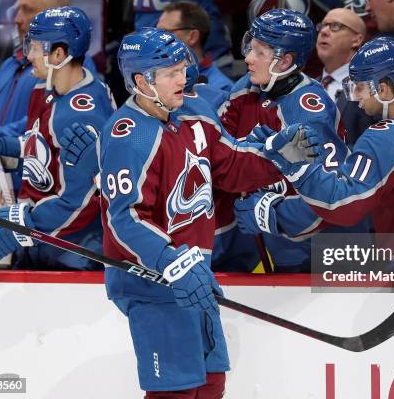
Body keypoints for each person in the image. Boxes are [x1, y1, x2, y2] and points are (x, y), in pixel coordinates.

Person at [100, 28, 280, 397]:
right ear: (141, 81)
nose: (184, 78)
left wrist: (279, 160)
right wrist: (173, 262)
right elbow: (124, 218)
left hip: (193, 273)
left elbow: (229, 165)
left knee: (212, 383)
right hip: (152, 282)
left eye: (183, 68)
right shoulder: (129, 134)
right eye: (171, 73)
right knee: (177, 391)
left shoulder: (191, 113)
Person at [249, 37, 394, 255]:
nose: (354, 96)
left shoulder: (385, 139)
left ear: (383, 89)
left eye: (360, 87)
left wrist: (297, 169)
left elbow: (343, 203)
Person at [0, 7, 115, 270]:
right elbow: (46, 149)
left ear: (59, 54)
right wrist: (4, 149)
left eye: (36, 47)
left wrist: (23, 224)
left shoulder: (82, 114)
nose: (29, 56)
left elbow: (82, 202)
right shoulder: (46, 90)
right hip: (44, 240)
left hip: (75, 250)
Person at [218, 8, 349, 272]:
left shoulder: (309, 111)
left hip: (316, 252)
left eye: (260, 52)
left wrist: (270, 215)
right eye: (250, 47)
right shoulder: (246, 87)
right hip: (265, 244)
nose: (248, 59)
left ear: (285, 61)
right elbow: (220, 152)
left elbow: (331, 201)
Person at [316, 7, 372, 146]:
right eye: (322, 25)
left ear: (357, 40)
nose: (323, 31)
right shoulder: (306, 85)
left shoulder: (371, 88)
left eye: (335, 26)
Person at [157, 1, 233, 92]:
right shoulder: (149, 77)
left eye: (165, 32)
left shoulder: (221, 89)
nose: (157, 39)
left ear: (193, 37)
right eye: (156, 32)